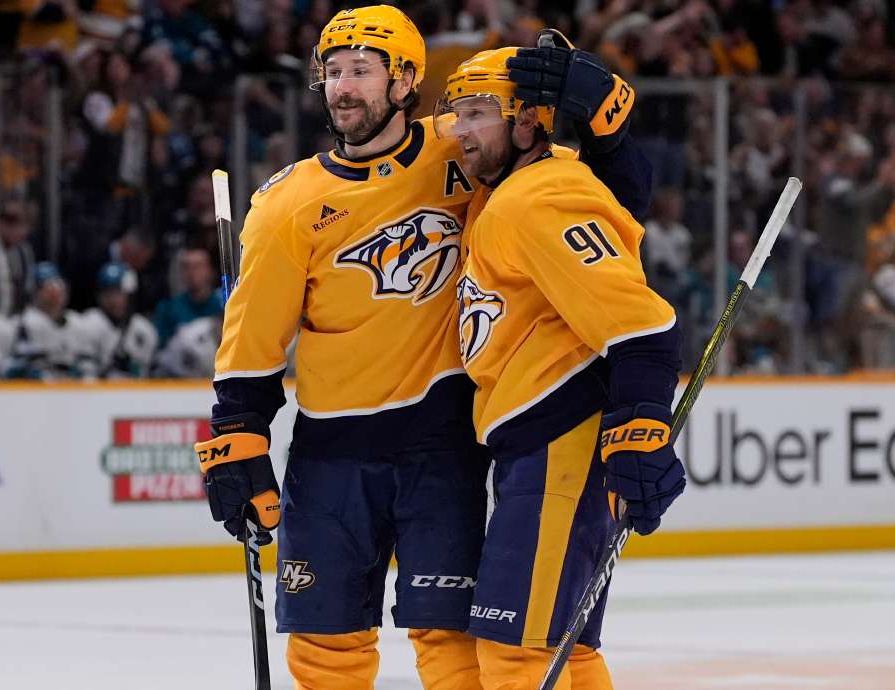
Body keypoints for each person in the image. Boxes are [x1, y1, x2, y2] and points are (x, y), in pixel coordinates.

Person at [191, 6, 652, 689]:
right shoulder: (286, 206)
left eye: (362, 72)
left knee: (453, 644)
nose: (343, 88)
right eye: (333, 72)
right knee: (324, 653)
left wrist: (607, 128)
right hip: (331, 455)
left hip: (443, 450)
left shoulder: (464, 144)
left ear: (406, 80)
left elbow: (602, 200)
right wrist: (236, 436)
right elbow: (253, 339)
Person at [438, 48, 685, 689]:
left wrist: (641, 425)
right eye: (455, 112)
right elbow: (624, 203)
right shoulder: (518, 189)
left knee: (515, 651)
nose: (459, 128)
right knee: (563, 650)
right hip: (536, 444)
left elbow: (644, 325)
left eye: (477, 113)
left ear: (527, 124)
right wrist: (612, 140)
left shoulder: (537, 197)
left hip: (559, 445)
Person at [15, 262, 95, 378]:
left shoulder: (77, 322)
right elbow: (27, 365)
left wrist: (82, 372)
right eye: (48, 287)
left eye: (58, 286)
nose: (55, 292)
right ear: (35, 292)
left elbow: (88, 363)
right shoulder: (26, 322)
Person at [81, 261, 158, 377]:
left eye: (119, 293)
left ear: (131, 295)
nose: (114, 300)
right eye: (108, 293)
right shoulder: (88, 323)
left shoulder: (145, 330)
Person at [152, 245, 221, 346]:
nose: (191, 272)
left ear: (210, 270)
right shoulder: (168, 309)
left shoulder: (224, 306)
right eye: (186, 266)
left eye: (197, 266)